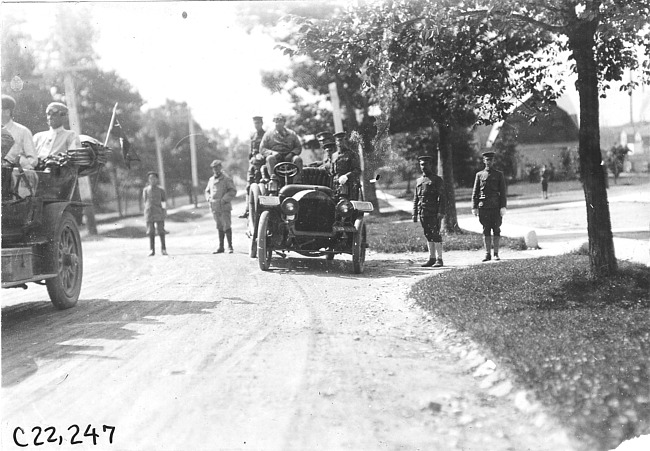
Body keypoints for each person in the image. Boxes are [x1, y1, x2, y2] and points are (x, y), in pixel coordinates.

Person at [472, 151, 507, 262]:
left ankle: (496, 253)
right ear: (484, 161)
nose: (489, 162)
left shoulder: (499, 174)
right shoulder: (479, 175)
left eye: (491, 160)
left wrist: (503, 207)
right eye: (487, 160)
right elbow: (475, 192)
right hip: (484, 207)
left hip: (496, 207)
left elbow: (503, 192)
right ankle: (487, 254)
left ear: (493, 161)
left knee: (496, 229)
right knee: (486, 229)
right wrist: (474, 207)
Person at [412, 155, 447, 267]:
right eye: (422, 164)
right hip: (423, 212)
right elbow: (416, 198)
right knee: (427, 234)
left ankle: (439, 259)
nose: (424, 167)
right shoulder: (419, 181)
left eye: (426, 164)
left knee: (435, 234)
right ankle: (431, 258)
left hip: (434, 212)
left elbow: (443, 197)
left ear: (430, 165)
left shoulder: (437, 180)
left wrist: (441, 212)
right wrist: (414, 213)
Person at [205, 159, 237, 254]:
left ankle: (230, 246)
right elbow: (207, 191)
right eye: (214, 168)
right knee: (219, 226)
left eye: (217, 167)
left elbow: (232, 191)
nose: (216, 169)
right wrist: (209, 198)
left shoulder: (226, 179)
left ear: (221, 167)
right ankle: (221, 247)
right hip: (214, 207)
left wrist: (224, 199)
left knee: (226, 225)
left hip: (224, 206)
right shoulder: (211, 180)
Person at [259, 114, 303, 182]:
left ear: (284, 123)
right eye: (276, 122)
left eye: (280, 122)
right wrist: (272, 153)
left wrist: (291, 154)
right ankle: (274, 181)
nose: (277, 124)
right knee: (270, 158)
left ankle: (297, 182)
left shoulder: (292, 134)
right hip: (275, 159)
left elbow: (298, 147)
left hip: (289, 158)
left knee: (298, 159)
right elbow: (262, 149)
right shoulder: (268, 134)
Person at [1, 94, 37, 169]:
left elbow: (32, 160)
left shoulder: (23, 131)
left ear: (7, 112)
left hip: (13, 174)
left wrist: (21, 164)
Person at [240, 116, 266, 219]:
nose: (257, 125)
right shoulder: (253, 135)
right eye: (255, 123)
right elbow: (251, 150)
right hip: (253, 162)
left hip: (261, 161)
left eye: (258, 123)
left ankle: (259, 208)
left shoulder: (265, 135)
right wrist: (251, 157)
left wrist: (261, 155)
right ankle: (247, 210)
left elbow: (266, 148)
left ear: (262, 123)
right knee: (248, 186)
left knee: (260, 183)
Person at [143, 171, 168, 256]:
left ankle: (163, 249)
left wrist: (164, 211)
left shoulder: (161, 190)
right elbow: (145, 201)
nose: (152, 180)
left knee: (161, 231)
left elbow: (164, 201)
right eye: (150, 178)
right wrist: (146, 211)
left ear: (157, 179)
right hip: (149, 213)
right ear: (148, 180)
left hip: (159, 212)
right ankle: (151, 250)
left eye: (154, 178)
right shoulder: (146, 190)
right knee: (151, 232)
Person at [332, 131, 361, 200]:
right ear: (336, 142)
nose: (341, 142)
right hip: (336, 186)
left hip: (349, 186)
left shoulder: (352, 154)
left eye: (344, 140)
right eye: (339, 140)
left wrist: (346, 176)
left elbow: (357, 170)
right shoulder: (334, 155)